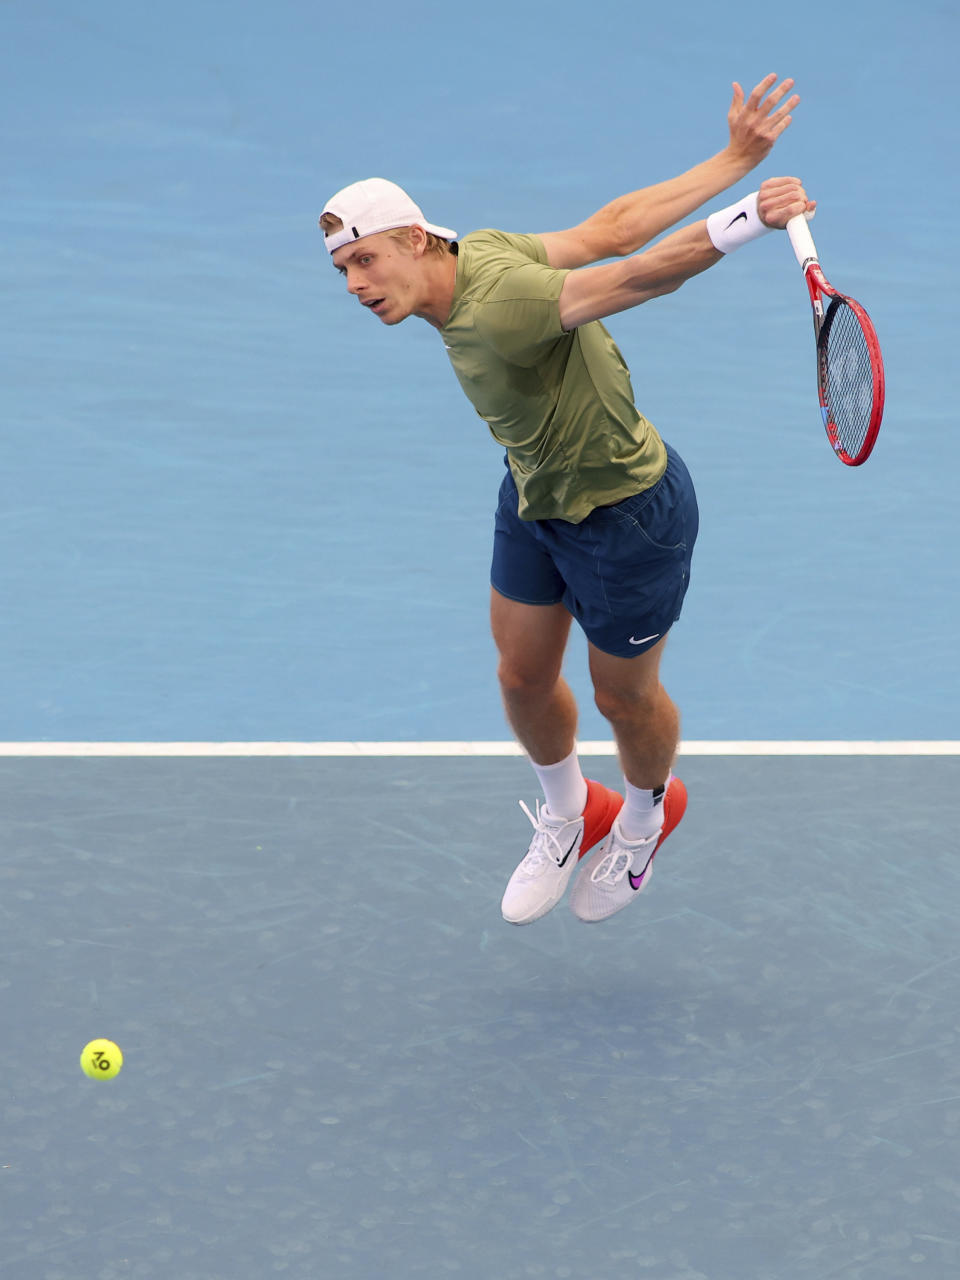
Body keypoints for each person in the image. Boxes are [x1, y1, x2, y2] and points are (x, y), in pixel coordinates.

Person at [319, 75, 814, 927]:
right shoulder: (477, 251)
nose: (356, 283)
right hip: (535, 490)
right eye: (342, 269)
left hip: (626, 516)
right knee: (521, 677)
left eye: (365, 258)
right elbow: (606, 231)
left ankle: (649, 816)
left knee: (624, 699)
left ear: (412, 239)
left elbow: (633, 278)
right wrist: (734, 161)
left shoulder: (502, 305)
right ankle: (568, 810)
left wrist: (747, 221)